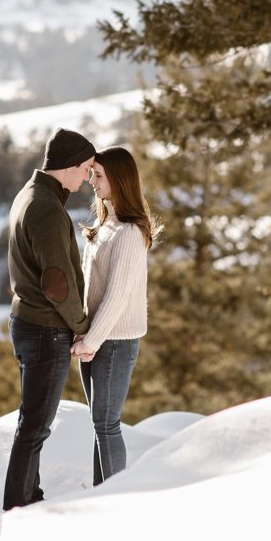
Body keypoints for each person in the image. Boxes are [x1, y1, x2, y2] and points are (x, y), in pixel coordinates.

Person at [2, 127, 95, 511]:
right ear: (70, 166)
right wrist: (82, 327)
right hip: (45, 330)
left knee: (31, 423)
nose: (87, 178)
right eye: (86, 169)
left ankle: (30, 497)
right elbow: (57, 283)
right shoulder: (47, 209)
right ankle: (19, 507)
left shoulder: (29, 194)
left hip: (27, 323)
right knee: (35, 427)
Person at [71, 146, 159, 485]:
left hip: (115, 341)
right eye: (91, 174)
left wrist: (91, 341)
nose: (91, 181)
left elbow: (117, 296)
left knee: (107, 424)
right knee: (99, 424)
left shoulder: (130, 233)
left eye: (98, 175)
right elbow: (89, 288)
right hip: (94, 339)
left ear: (119, 180)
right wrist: (81, 332)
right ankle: (101, 494)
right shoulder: (104, 225)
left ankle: (113, 498)